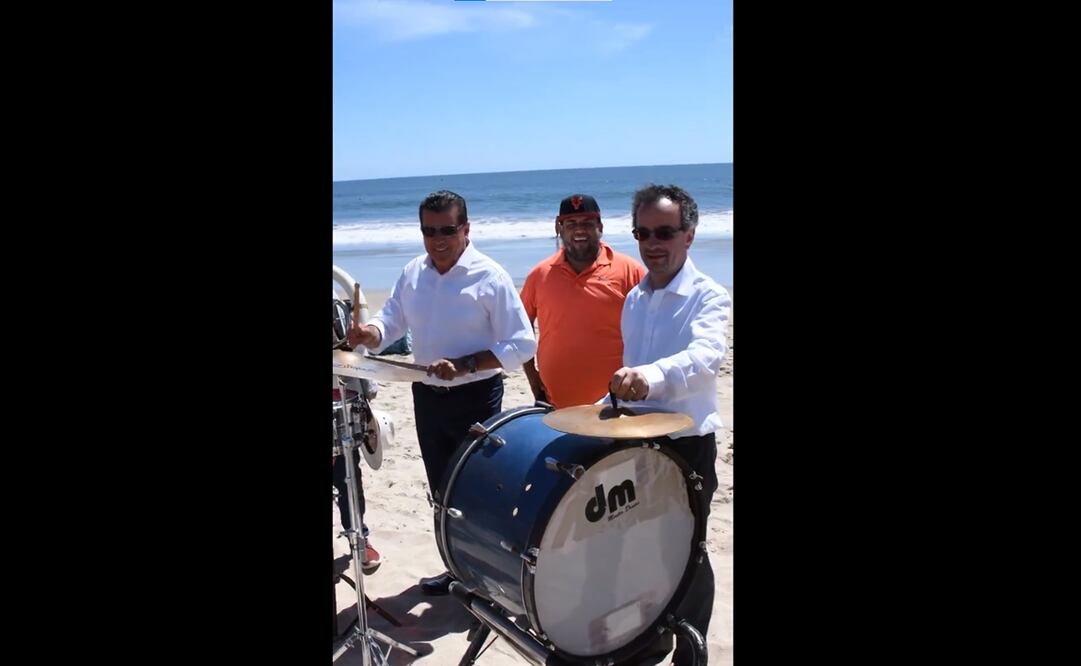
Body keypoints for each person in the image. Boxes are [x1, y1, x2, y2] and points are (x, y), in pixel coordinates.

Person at [347, 190, 537, 596]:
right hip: (427, 397)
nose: (438, 239)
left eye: (447, 230)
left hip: (476, 396)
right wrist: (371, 334)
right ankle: (458, 572)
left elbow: (523, 344)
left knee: (480, 493)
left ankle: (492, 584)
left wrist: (467, 364)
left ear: (466, 229)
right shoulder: (415, 271)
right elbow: (392, 319)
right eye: (429, 231)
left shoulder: (491, 276)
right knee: (442, 491)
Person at [607, 184, 731, 666]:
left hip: (687, 445)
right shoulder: (635, 298)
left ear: (689, 235)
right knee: (640, 549)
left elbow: (704, 357)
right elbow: (630, 367)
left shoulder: (708, 295)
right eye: (642, 233)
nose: (652, 243)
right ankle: (651, 638)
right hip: (637, 445)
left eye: (664, 232)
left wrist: (650, 376)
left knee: (689, 556)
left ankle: (691, 652)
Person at [520, 194, 644, 408]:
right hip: (556, 404)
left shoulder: (629, 271)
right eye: (571, 224)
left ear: (600, 226)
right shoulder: (539, 275)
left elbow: (653, 326)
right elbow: (520, 327)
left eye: (587, 222)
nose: (579, 230)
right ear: (559, 228)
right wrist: (533, 378)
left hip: (617, 405)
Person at [332, 296, 381, 574]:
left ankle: (359, 536)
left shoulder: (340, 313)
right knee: (348, 483)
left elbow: (367, 380)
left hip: (343, 415)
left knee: (349, 480)